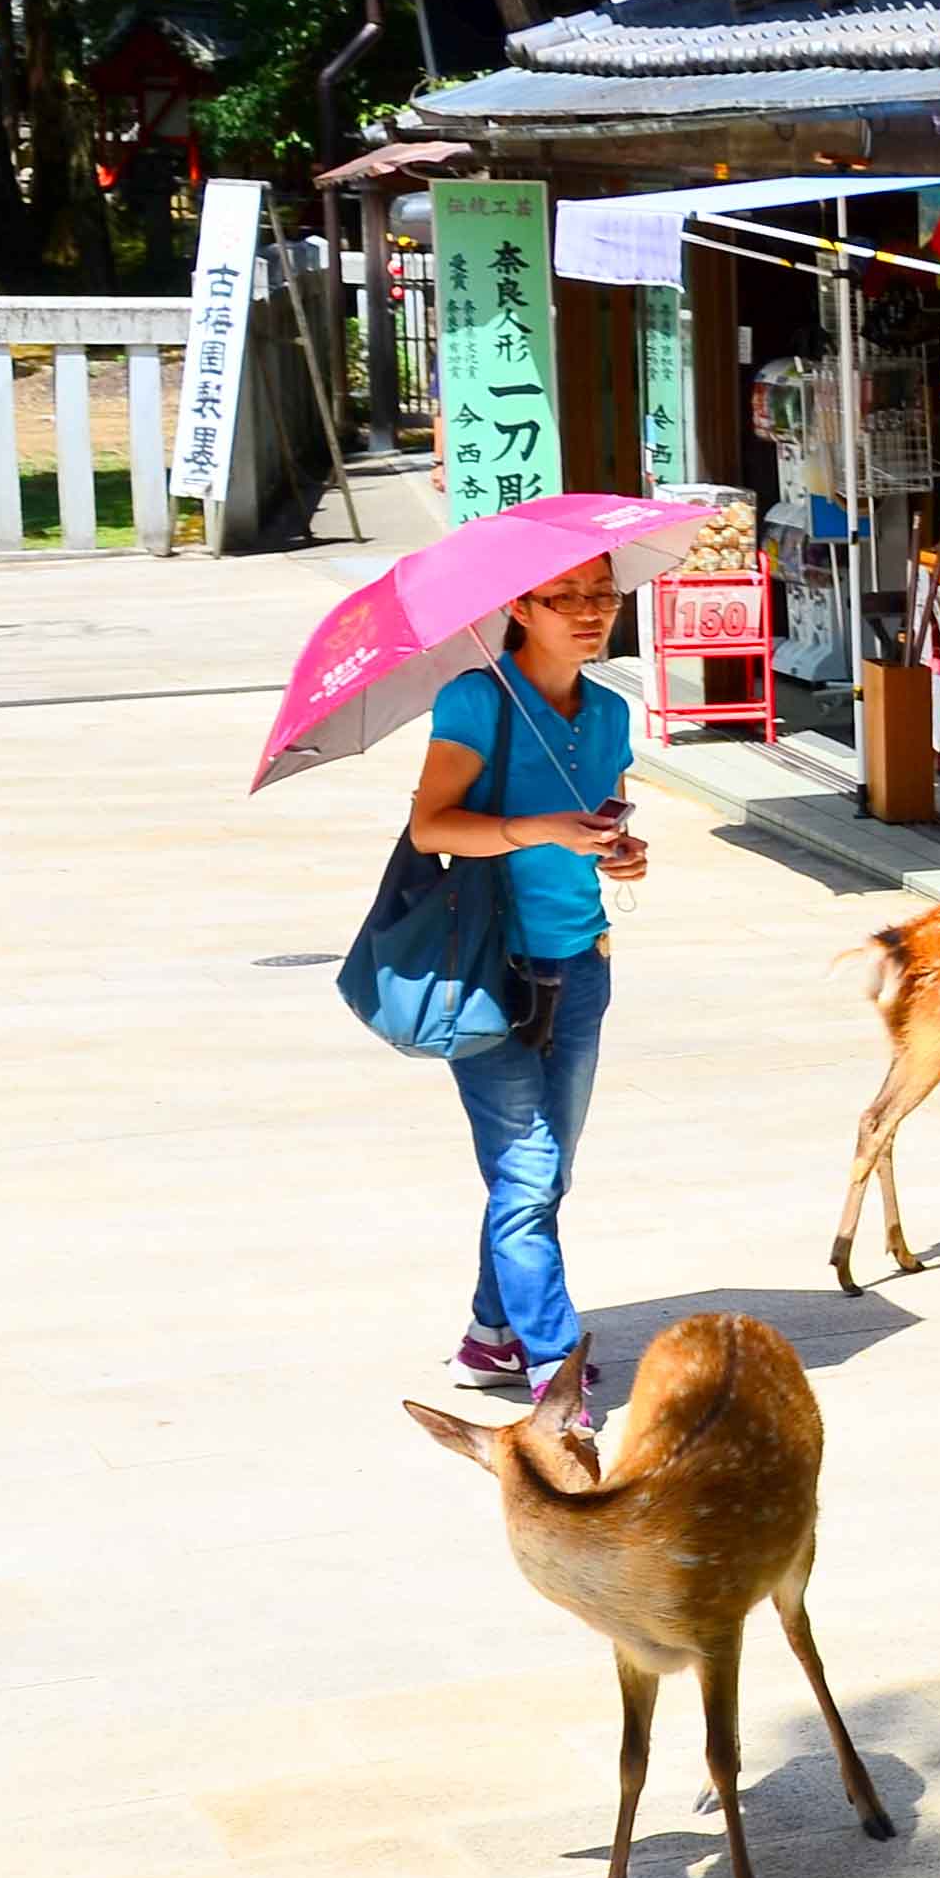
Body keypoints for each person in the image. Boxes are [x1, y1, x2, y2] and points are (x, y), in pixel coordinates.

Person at [406, 556, 646, 1419]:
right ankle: (553, 1364)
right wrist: (534, 828)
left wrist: (622, 853)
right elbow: (431, 826)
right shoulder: (477, 701)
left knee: (547, 1171)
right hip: (490, 970)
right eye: (565, 597)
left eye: (603, 595)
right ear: (520, 605)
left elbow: (606, 818)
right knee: (529, 1166)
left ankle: (489, 1335)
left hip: (581, 962)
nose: (589, 612)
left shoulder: (610, 711)